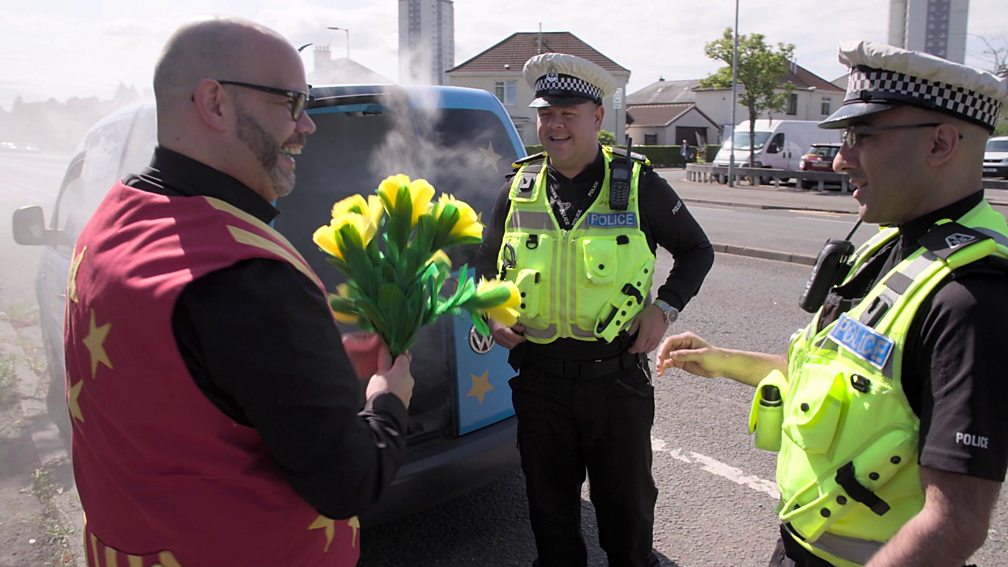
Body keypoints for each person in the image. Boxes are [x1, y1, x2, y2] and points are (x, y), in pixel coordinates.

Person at [63, 18, 414, 567]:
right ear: (215, 102)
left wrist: (317, 366)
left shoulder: (112, 218)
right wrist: (388, 399)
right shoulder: (248, 273)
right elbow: (351, 482)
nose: (307, 127)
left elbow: (184, 379)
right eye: (291, 103)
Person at [658, 40, 1008, 567]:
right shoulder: (891, 244)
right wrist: (721, 360)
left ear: (940, 144)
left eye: (863, 136)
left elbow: (955, 522)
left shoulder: (972, 296)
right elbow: (844, 378)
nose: (841, 159)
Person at [476, 52, 714, 567]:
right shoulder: (517, 189)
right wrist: (491, 314)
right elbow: (484, 272)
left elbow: (698, 250)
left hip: (616, 385)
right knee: (550, 516)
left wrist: (665, 309)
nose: (554, 124)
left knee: (627, 520)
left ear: (597, 117)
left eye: (568, 112)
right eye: (545, 114)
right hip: (540, 384)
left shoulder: (637, 185)